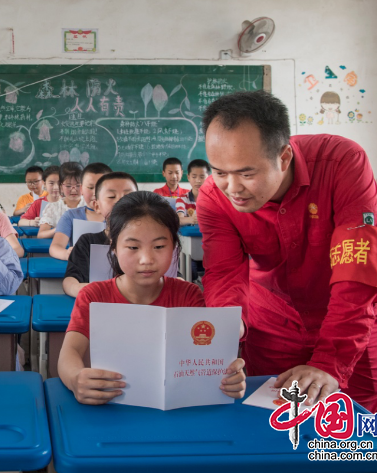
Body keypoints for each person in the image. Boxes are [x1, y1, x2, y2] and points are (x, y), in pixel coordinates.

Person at [198, 90, 377, 415]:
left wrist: (330, 362)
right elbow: (224, 274)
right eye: (219, 172)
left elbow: (356, 272)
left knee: (357, 442)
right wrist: (230, 324)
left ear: (284, 158)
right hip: (273, 333)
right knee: (275, 433)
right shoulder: (213, 199)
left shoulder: (341, 163)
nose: (232, 188)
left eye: (246, 173)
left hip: (352, 329)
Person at [57, 192, 246, 405]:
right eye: (133, 247)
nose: (146, 259)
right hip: (111, 406)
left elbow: (209, 358)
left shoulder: (189, 295)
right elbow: (70, 352)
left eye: (159, 247)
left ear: (174, 246)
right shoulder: (93, 296)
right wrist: (75, 379)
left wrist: (229, 378)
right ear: (114, 248)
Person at [63, 172, 138, 297]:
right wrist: (87, 290)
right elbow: (70, 280)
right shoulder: (87, 241)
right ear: (97, 206)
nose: (120, 201)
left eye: (128, 195)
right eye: (111, 196)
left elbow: (174, 277)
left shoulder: (153, 242)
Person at [46, 163, 112, 260]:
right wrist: (66, 254)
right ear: (81, 189)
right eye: (90, 187)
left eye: (100, 187)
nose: (95, 193)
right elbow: (55, 247)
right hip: (81, 269)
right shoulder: (70, 215)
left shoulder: (120, 216)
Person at [38, 162, 85, 240]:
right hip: (60, 247)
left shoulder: (91, 205)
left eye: (78, 185)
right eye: (68, 186)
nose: (73, 190)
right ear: (61, 187)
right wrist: (60, 228)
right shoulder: (53, 207)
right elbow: (41, 234)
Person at [176, 159, 210, 226]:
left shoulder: (213, 199)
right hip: (190, 234)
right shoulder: (182, 199)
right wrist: (192, 219)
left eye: (202, 177)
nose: (198, 180)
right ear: (188, 177)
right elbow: (178, 219)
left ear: (208, 178)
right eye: (194, 177)